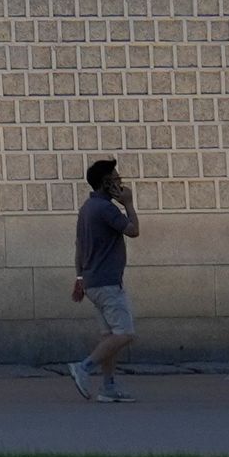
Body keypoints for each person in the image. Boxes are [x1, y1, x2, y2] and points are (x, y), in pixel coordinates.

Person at [71, 157, 140, 402]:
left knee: (109, 336)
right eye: (114, 179)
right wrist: (129, 204)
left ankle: (109, 387)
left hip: (92, 281)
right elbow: (133, 230)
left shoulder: (86, 209)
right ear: (104, 183)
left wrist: (80, 276)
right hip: (108, 282)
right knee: (126, 334)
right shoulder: (106, 209)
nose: (119, 183)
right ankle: (84, 367)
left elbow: (79, 246)